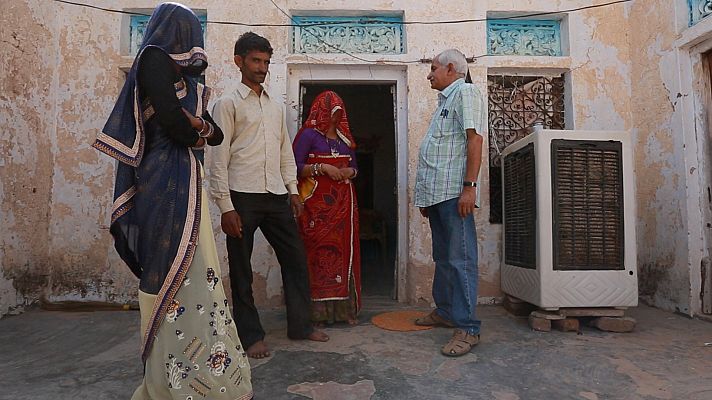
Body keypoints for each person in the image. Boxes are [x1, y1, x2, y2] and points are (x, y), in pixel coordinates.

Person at [93, 3, 253, 399]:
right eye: (190, 32)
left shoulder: (191, 88)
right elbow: (173, 123)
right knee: (166, 267)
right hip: (162, 181)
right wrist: (195, 129)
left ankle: (207, 377)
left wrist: (196, 128)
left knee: (198, 268)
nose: (194, 45)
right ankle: (167, 378)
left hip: (187, 181)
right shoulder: (153, 59)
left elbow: (213, 135)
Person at [209, 32, 328, 360]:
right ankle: (250, 336)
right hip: (241, 197)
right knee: (242, 269)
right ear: (239, 61)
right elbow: (216, 157)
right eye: (255, 61)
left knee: (295, 260)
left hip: (275, 194)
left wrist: (293, 190)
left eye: (265, 62)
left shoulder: (274, 106)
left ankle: (301, 326)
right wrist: (225, 206)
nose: (262, 68)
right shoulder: (226, 104)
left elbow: (283, 152)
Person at [413, 49, 485, 357]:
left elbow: (474, 140)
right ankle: (444, 311)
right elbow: (441, 150)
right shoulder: (445, 101)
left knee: (460, 260)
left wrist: (469, 188)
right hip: (438, 196)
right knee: (443, 258)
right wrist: (425, 197)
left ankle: (468, 328)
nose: (429, 74)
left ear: (451, 68)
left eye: (433, 68)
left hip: (456, 195)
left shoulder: (465, 92)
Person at [292, 91, 361, 326]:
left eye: (339, 113)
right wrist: (321, 168)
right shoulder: (308, 136)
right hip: (316, 207)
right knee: (316, 253)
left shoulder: (345, 138)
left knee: (343, 253)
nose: (335, 118)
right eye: (332, 113)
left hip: (343, 206)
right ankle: (318, 314)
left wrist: (349, 172)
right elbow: (293, 166)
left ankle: (343, 312)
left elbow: (355, 167)